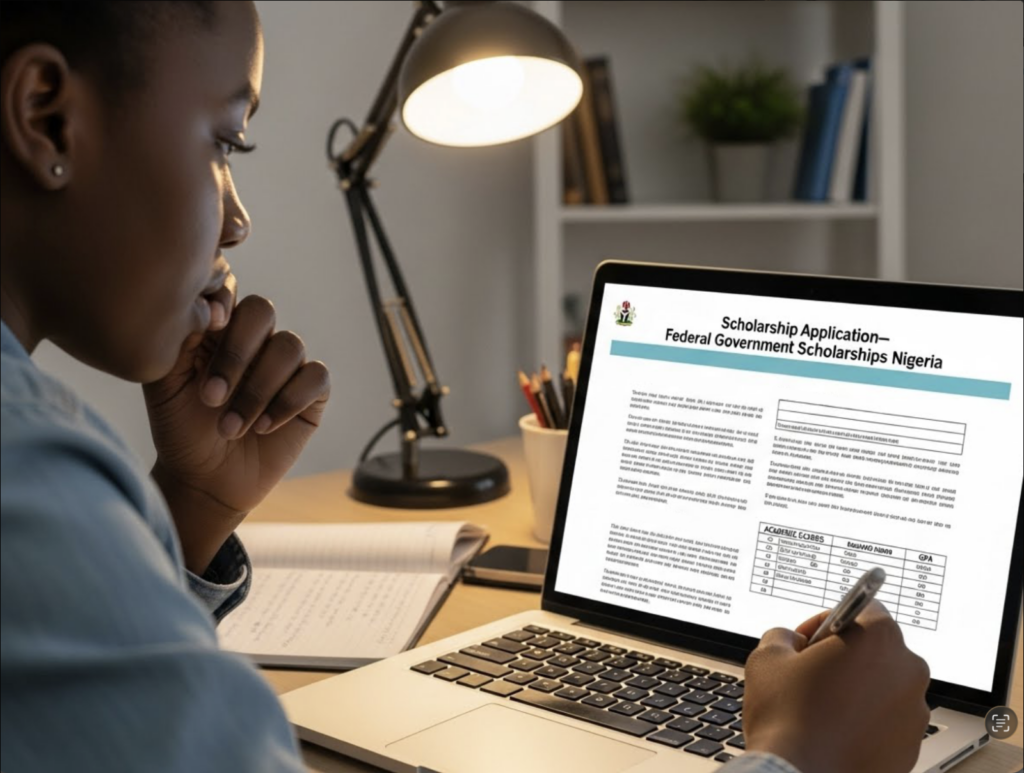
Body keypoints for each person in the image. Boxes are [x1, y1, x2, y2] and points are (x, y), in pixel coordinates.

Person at [0, 3, 931, 772]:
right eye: (225, 143)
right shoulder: (34, 479)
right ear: (46, 117)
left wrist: (191, 511)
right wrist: (803, 756)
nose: (236, 221)